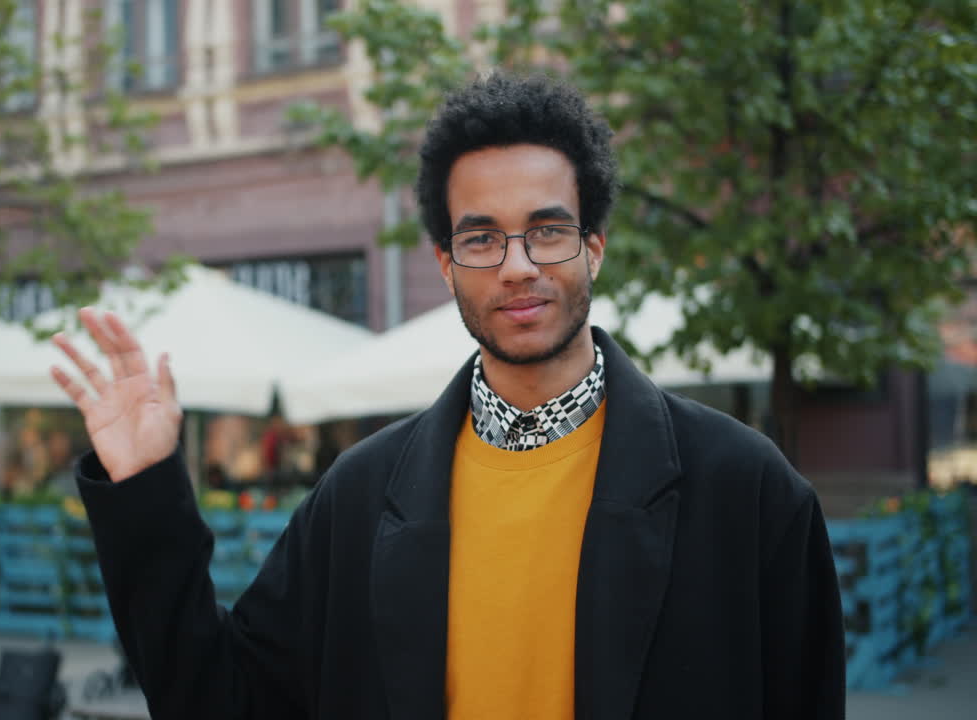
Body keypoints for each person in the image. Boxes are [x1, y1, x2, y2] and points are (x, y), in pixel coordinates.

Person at [50, 72, 845, 720]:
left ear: (593, 248)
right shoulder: (360, 498)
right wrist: (146, 488)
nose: (517, 265)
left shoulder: (746, 488)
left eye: (548, 230)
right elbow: (216, 699)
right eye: (481, 237)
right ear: (445, 263)